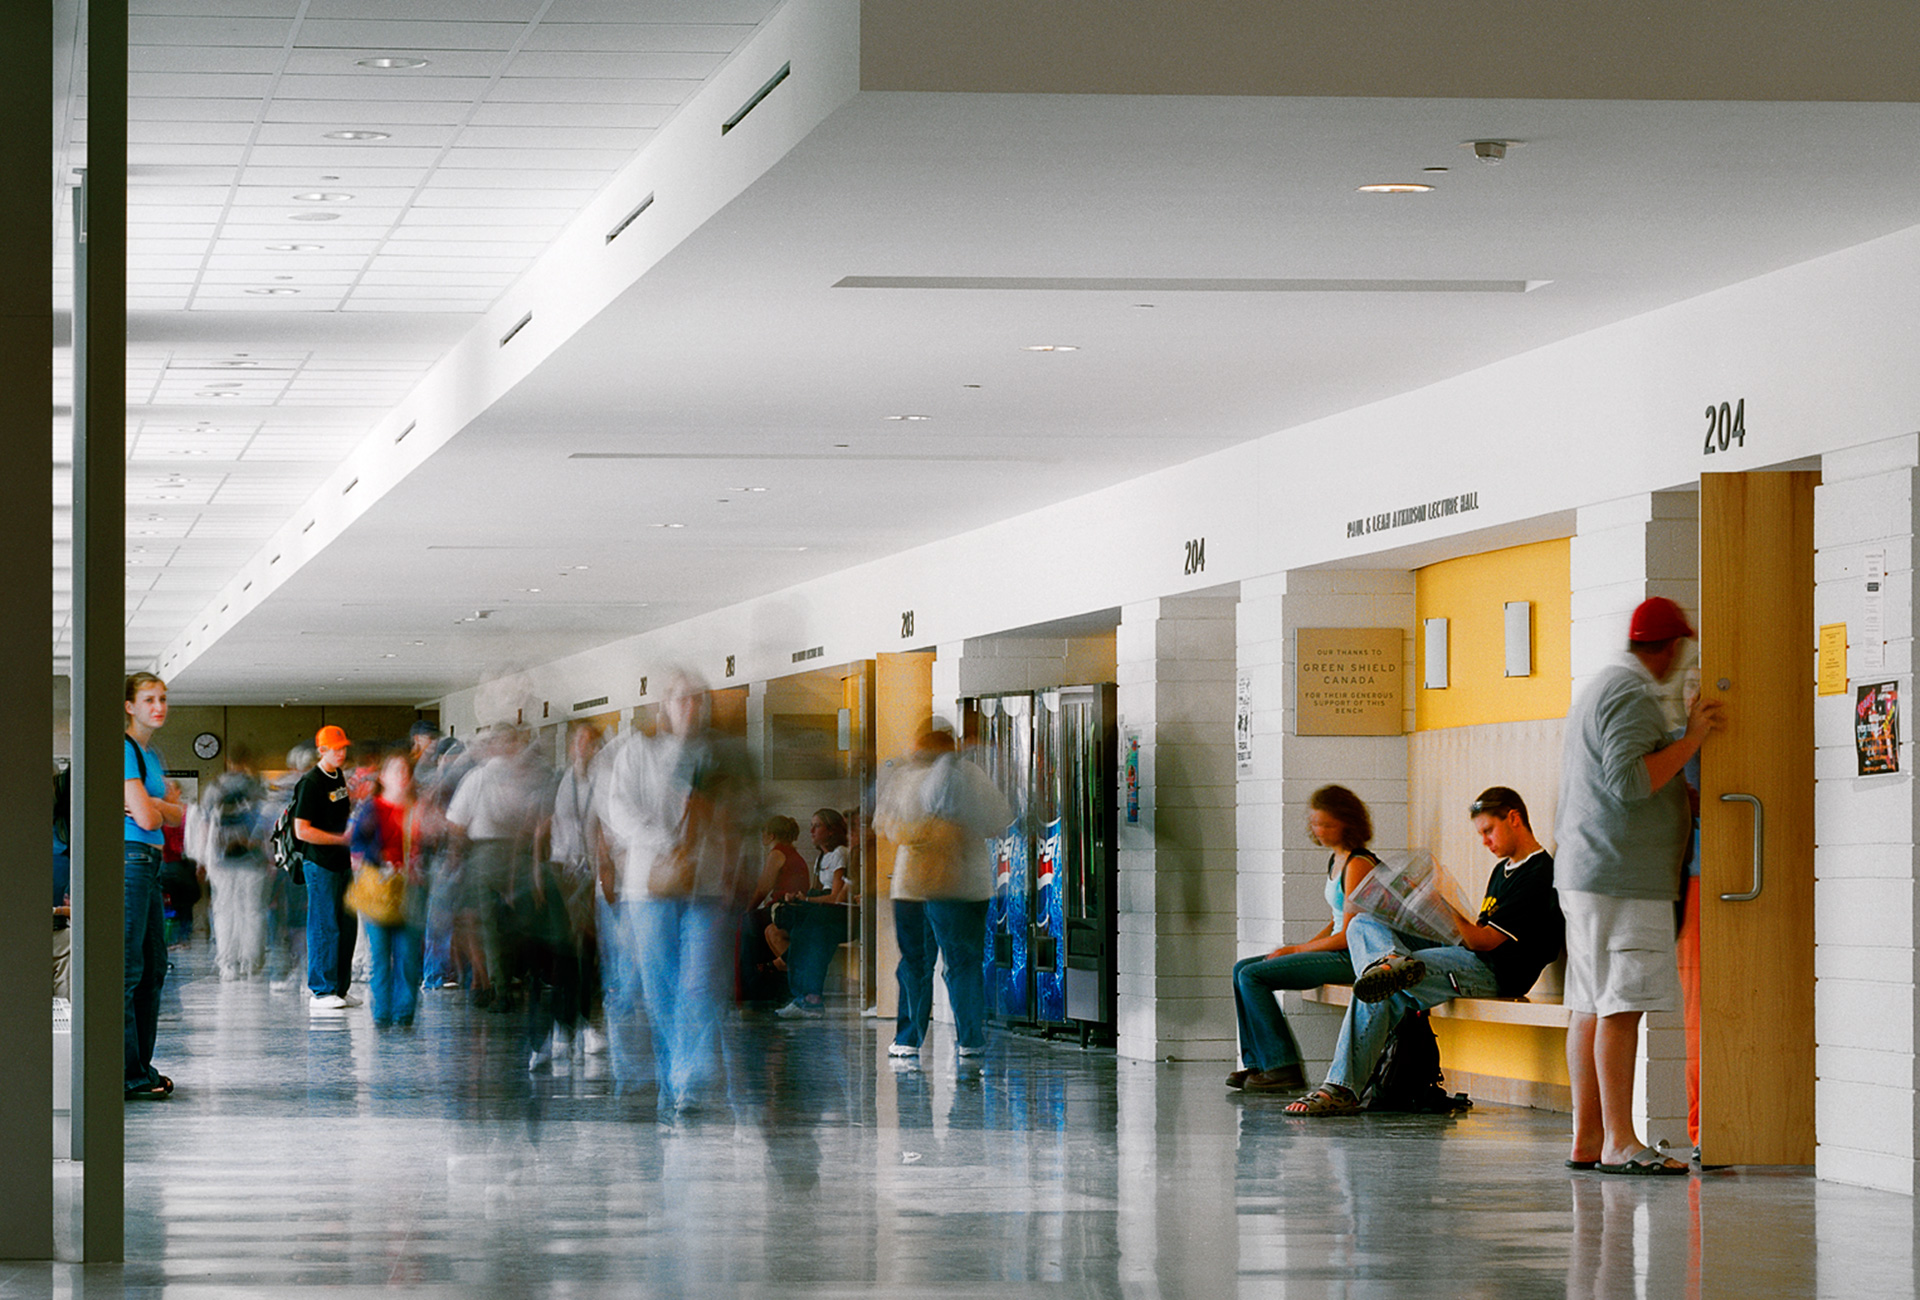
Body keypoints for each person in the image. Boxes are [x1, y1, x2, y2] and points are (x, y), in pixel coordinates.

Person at [1556, 597, 1723, 1175]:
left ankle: (1588, 1138)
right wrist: (1692, 739)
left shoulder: (1603, 686)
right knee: (1621, 1004)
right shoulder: (1630, 694)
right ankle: (1621, 1143)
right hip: (1621, 878)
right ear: (1673, 647)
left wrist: (1678, 784)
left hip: (1591, 873)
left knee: (1589, 1005)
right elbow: (1627, 781)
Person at [1284, 786, 1565, 1116]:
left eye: (1489, 830)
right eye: (1481, 834)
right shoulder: (1503, 870)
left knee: (1382, 985)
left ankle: (1341, 1088)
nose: (1485, 841)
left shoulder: (1538, 873)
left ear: (1514, 818)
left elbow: (1484, 941)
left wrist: (1440, 903)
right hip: (1467, 956)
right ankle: (1387, 961)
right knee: (1362, 923)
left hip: (1493, 973)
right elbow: (1472, 936)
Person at [597, 672, 757, 1116]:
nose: (691, 708)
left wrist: (734, 866)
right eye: (682, 699)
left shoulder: (716, 754)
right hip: (651, 887)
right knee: (662, 986)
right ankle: (677, 1078)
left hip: (706, 887)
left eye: (698, 700)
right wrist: (663, 840)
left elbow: (736, 814)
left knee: (699, 982)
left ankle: (689, 1075)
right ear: (663, 705)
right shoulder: (636, 752)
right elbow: (619, 808)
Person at [875, 720, 1013, 1065]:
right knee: (964, 964)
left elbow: (886, 826)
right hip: (965, 887)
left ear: (919, 742)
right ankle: (971, 1040)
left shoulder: (904, 777)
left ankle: (908, 1039)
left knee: (915, 964)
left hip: (913, 886)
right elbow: (1000, 821)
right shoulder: (972, 775)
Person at [1227, 784, 1381, 1092]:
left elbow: (1348, 936)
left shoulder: (1359, 863)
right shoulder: (1336, 860)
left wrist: (1297, 950)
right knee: (1240, 969)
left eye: (1327, 825)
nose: (1319, 831)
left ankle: (1282, 1067)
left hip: (1355, 956)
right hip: (1339, 950)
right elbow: (1336, 922)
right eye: (1315, 823)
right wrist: (1301, 949)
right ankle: (1258, 1064)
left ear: (1348, 823)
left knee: (1253, 976)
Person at [123, 672, 185, 1099]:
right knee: (130, 969)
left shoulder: (151, 754)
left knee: (153, 968)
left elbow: (176, 814)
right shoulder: (124, 749)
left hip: (150, 862)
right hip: (130, 860)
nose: (158, 707)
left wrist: (155, 804)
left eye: (162, 698)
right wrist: (158, 808)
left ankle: (141, 1069)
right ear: (130, 706)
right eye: (148, 699)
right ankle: (128, 1072)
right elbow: (147, 819)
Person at [351, 754, 425, 1027]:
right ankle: (381, 1012)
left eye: (405, 771)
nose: (401, 776)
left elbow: (432, 844)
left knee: (407, 956)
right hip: (380, 889)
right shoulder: (373, 808)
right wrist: (378, 858)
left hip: (410, 888)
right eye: (395, 770)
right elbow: (357, 841)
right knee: (380, 955)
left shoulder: (418, 809)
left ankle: (404, 1012)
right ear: (383, 777)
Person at [296, 724, 361, 1013]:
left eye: (343, 748)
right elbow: (302, 830)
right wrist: (339, 839)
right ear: (321, 750)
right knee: (324, 926)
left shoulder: (339, 776)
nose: (341, 753)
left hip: (342, 862)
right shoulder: (311, 782)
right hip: (320, 863)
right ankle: (322, 990)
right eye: (336, 749)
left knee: (347, 926)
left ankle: (339, 987)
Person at [771, 809, 856, 1019]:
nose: (811, 831)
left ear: (831, 830)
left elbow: (835, 897)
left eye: (817, 826)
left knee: (811, 936)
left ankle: (809, 997)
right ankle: (804, 996)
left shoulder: (840, 853)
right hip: (822, 911)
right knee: (796, 928)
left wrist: (807, 900)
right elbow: (816, 891)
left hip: (839, 914)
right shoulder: (821, 858)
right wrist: (799, 898)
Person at [199, 747, 271, 980]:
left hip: (222, 860)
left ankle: (228, 965)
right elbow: (267, 823)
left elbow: (205, 825)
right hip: (253, 859)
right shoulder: (257, 787)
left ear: (228, 761)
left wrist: (204, 859)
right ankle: (251, 963)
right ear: (247, 760)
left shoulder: (214, 787)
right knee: (253, 911)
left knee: (224, 911)